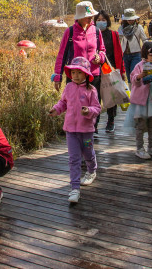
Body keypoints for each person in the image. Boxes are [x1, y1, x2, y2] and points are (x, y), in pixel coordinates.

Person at [49, 56, 101, 205]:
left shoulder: (91, 90)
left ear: (86, 74)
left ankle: (92, 170)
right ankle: (75, 188)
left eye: (79, 73)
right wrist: (56, 110)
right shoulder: (68, 87)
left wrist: (88, 110)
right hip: (71, 129)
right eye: (73, 73)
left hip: (86, 130)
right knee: (74, 159)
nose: (76, 76)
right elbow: (63, 103)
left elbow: (97, 108)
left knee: (88, 153)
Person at [52, 0, 107, 132]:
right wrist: (58, 76)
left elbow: (103, 50)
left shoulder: (97, 31)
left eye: (91, 15)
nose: (91, 17)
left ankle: (91, 130)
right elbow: (62, 55)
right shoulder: (70, 32)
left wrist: (100, 57)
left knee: (93, 105)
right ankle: (74, 131)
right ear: (80, 16)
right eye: (88, 15)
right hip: (75, 76)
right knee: (73, 105)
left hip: (93, 76)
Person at [126, 41, 152, 159]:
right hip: (141, 101)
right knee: (140, 125)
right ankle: (139, 148)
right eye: (150, 55)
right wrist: (139, 76)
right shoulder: (139, 65)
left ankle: (151, 146)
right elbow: (134, 80)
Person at [95, 9, 124, 133]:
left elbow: (118, 53)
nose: (101, 22)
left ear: (107, 21)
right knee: (96, 96)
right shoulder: (92, 34)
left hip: (110, 69)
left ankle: (111, 120)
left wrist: (121, 70)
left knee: (111, 95)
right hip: (96, 70)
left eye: (103, 20)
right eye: (98, 20)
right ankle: (94, 123)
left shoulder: (113, 35)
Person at [119, 8, 147, 84]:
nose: (130, 21)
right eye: (128, 19)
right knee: (128, 76)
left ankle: (137, 91)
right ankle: (132, 93)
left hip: (136, 54)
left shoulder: (139, 27)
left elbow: (144, 39)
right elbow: (119, 40)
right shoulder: (121, 28)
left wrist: (148, 49)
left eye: (132, 19)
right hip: (125, 54)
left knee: (134, 74)